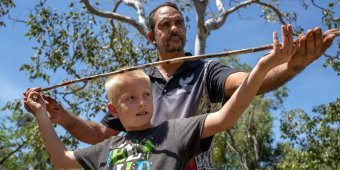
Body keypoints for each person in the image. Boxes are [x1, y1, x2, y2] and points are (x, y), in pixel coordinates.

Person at [23, 2, 336, 169]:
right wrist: (60, 117)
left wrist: (289, 65)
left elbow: (247, 88)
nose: (174, 27)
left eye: (179, 22)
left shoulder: (206, 70)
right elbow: (98, 137)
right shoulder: (137, 81)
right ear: (152, 36)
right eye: (164, 24)